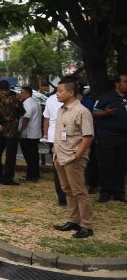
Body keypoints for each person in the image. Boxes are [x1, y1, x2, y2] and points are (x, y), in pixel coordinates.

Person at [52, 79, 94, 238]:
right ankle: (73, 220)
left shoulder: (82, 111)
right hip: (60, 156)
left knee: (79, 191)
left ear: (70, 93)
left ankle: (86, 226)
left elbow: (88, 137)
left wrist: (77, 156)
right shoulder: (61, 110)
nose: (57, 93)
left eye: (60, 90)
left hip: (73, 158)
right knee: (67, 190)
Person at [92, 73, 127, 203]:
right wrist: (105, 113)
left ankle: (119, 192)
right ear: (117, 83)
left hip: (124, 136)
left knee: (121, 165)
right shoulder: (106, 97)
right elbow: (94, 111)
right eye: (125, 82)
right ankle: (105, 192)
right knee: (107, 164)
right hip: (107, 136)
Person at [0, 80, 25, 186]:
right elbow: (22, 112)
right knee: (10, 155)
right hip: (12, 130)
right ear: (9, 88)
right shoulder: (15, 99)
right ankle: (7, 178)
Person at [43, 90, 66, 205]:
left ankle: (67, 196)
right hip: (55, 138)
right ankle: (63, 197)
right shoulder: (52, 99)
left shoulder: (75, 102)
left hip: (67, 138)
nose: (58, 94)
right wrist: (46, 134)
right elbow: (46, 118)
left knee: (67, 168)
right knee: (58, 168)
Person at [18, 86, 42, 181]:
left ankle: (31, 175)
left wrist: (21, 131)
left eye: (22, 93)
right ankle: (34, 174)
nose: (20, 94)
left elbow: (26, 118)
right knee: (34, 155)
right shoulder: (35, 102)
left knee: (29, 156)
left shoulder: (27, 103)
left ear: (28, 94)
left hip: (28, 134)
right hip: (35, 133)